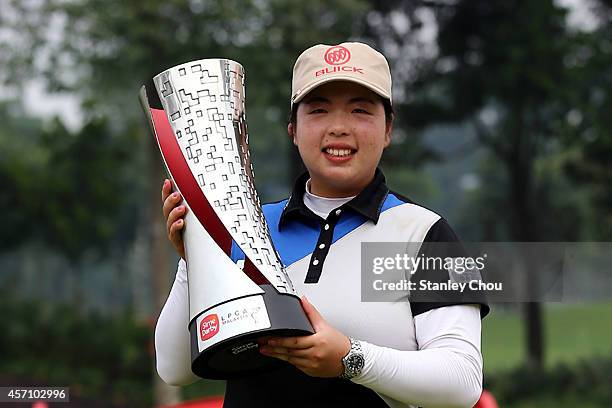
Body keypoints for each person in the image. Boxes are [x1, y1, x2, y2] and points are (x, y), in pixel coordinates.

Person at [156, 42, 490, 408]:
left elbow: (462, 381)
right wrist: (194, 260)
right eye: (318, 110)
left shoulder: (423, 233)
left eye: (360, 110)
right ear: (293, 130)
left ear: (388, 129)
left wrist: (349, 359)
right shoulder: (246, 229)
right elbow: (175, 368)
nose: (339, 128)